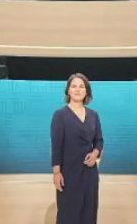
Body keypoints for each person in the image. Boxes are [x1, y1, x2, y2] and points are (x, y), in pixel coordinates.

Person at [50, 73, 104, 224]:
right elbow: (56, 146)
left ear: (87, 91)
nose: (77, 89)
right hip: (68, 175)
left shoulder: (94, 115)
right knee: (68, 214)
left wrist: (95, 153)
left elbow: (99, 141)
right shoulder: (60, 115)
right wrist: (56, 172)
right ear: (68, 91)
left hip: (90, 175)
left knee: (89, 214)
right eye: (73, 86)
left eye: (82, 86)